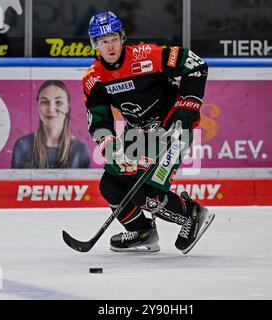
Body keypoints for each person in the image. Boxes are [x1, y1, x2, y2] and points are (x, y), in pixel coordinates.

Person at [83, 11, 214, 254]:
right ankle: (143, 231)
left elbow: (195, 65)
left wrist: (186, 109)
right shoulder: (94, 78)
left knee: (146, 192)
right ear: (95, 45)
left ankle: (191, 214)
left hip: (171, 129)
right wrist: (108, 142)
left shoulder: (147, 55)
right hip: (136, 134)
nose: (109, 46)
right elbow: (98, 116)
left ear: (122, 38)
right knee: (110, 185)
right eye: (102, 41)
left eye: (113, 38)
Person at [12, 80, 90, 169]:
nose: (51, 109)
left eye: (58, 102)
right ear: (38, 106)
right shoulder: (22, 146)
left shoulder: (80, 149)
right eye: (45, 102)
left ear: (67, 107)